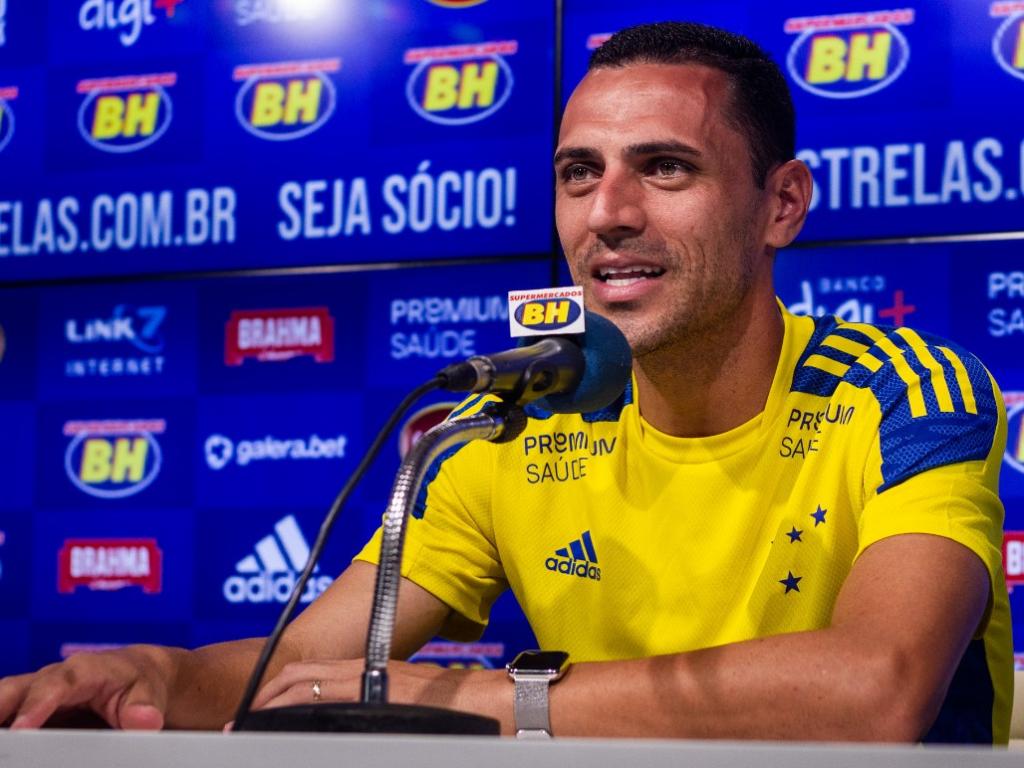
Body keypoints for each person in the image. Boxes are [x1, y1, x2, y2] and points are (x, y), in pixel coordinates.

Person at [0, 21, 1012, 742]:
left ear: (781, 204)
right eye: (579, 173)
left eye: (664, 168)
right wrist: (156, 674)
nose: (607, 213)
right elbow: (305, 669)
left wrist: (505, 699)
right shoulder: (508, 420)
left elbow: (876, 690)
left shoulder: (905, 392)